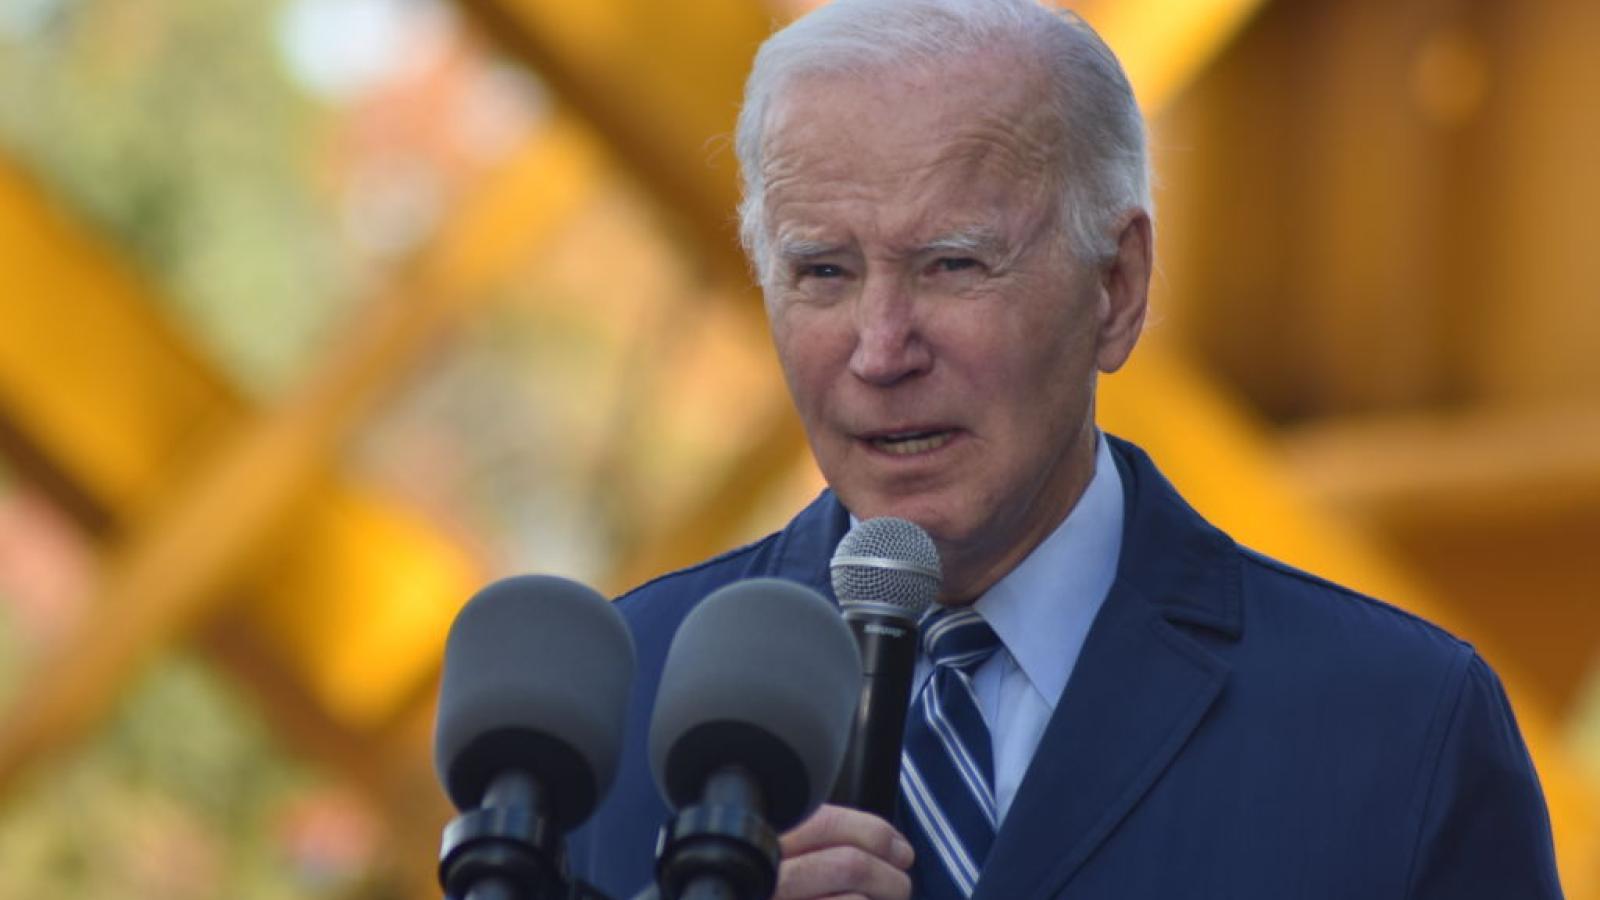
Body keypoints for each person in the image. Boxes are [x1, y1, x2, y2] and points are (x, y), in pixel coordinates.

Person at [568, 1, 1563, 897]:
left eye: (953, 265)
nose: (878, 350)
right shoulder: (605, 713)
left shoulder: (1397, 727)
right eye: (822, 272)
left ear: (1116, 289)